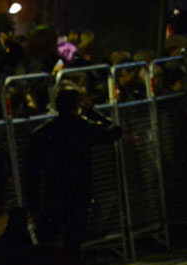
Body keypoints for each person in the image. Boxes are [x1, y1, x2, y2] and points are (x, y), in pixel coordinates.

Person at [26, 84, 122, 252]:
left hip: (54, 193)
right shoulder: (83, 128)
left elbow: (33, 172)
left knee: (46, 240)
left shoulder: (44, 132)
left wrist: (33, 203)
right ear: (76, 106)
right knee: (73, 242)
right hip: (79, 192)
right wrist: (92, 112)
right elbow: (114, 131)